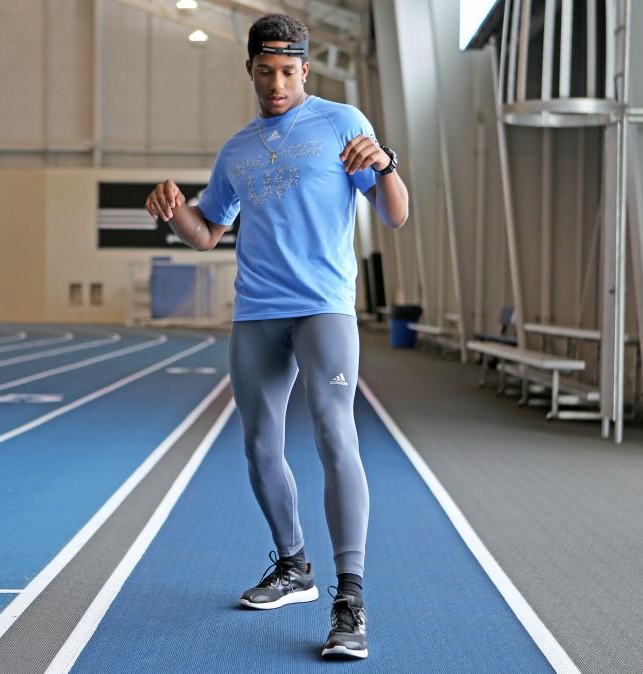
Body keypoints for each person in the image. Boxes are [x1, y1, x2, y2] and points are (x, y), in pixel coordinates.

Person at [145, 12, 408, 660]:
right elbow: (208, 230)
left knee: (331, 425)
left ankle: (350, 601)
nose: (276, 84)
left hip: (323, 309)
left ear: (305, 70)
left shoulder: (344, 124)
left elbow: (395, 214)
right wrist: (175, 212)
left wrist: (388, 164)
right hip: (258, 314)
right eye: (265, 72)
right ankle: (294, 565)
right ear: (251, 70)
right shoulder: (237, 152)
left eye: (288, 72)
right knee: (260, 447)